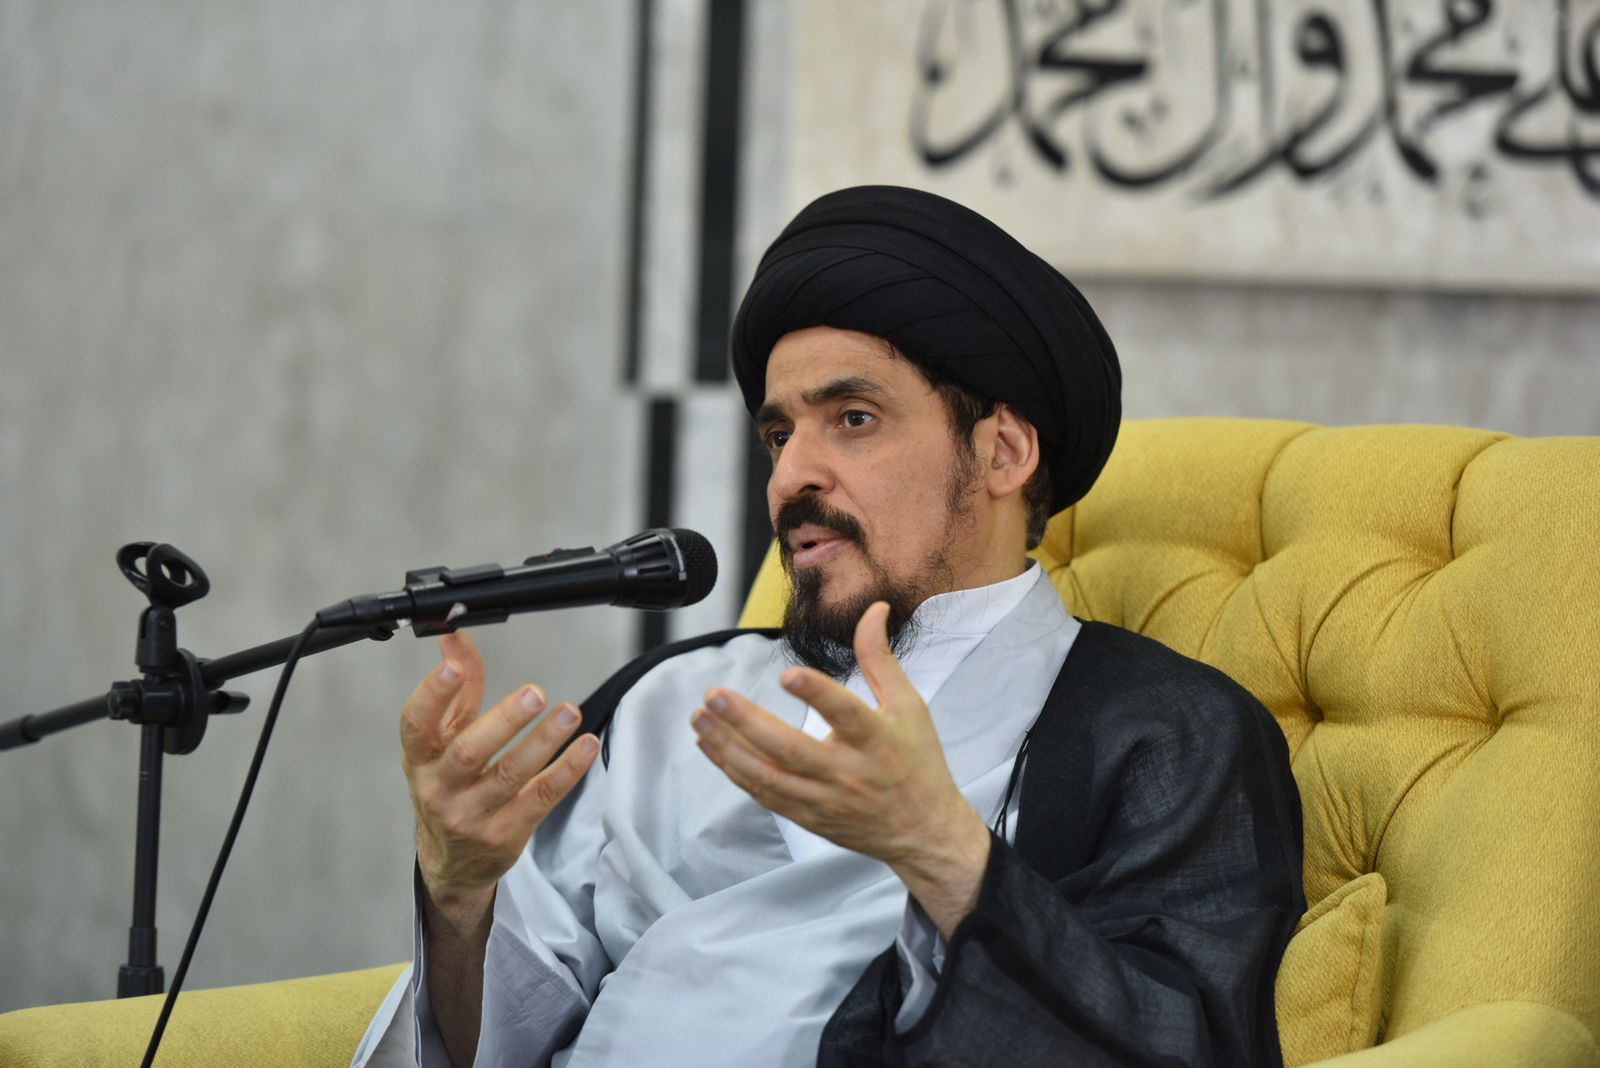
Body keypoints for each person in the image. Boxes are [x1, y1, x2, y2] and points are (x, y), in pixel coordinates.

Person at [353, 186, 1304, 1067]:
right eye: (779, 434)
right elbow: (489, 1044)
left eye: (852, 418)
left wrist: (939, 848)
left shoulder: (1162, 731)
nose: (789, 477)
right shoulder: (664, 703)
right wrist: (459, 892)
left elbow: (1182, 1041)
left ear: (1003, 452)